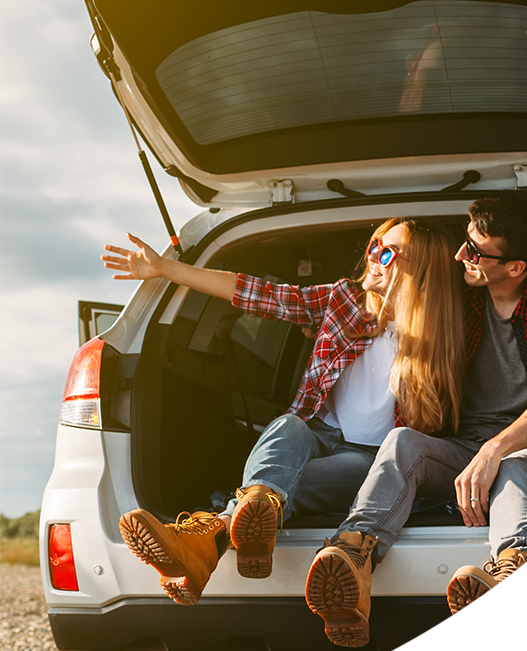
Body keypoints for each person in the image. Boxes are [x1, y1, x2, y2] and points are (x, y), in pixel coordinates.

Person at [101, 218, 465, 608]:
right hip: (318, 434)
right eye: (374, 245)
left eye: (387, 252)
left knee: (283, 484)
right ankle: (239, 523)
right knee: (287, 426)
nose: (373, 257)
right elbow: (259, 295)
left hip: (372, 461)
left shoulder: (448, 331)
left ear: (422, 267)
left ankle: (208, 541)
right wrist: (164, 268)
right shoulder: (344, 301)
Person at [305, 192, 527, 648]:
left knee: (514, 470)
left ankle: (512, 576)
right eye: (465, 241)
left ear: (515, 267)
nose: (461, 255)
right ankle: (354, 556)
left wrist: (494, 449)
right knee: (403, 440)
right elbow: (399, 292)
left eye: (476, 251)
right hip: (460, 447)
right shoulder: (461, 291)